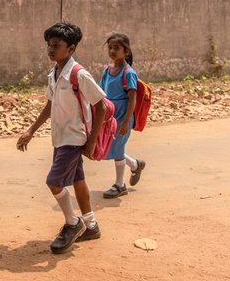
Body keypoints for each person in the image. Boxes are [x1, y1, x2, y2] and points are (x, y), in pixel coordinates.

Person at [16, 21, 107, 254]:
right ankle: (91, 225)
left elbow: (101, 106)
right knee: (77, 180)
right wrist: (31, 131)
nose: (51, 49)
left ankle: (72, 223)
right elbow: (50, 105)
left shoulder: (79, 74)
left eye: (56, 45)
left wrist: (92, 140)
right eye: (49, 44)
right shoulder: (54, 74)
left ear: (71, 48)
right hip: (60, 137)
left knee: (54, 181)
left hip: (74, 139)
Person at [99, 32, 146, 198]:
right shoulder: (107, 70)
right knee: (109, 147)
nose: (112, 51)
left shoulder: (128, 73)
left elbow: (132, 98)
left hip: (122, 115)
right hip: (109, 115)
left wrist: (126, 121)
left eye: (116, 48)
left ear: (126, 52)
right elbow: (101, 92)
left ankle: (120, 185)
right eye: (110, 48)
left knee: (117, 148)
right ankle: (135, 164)